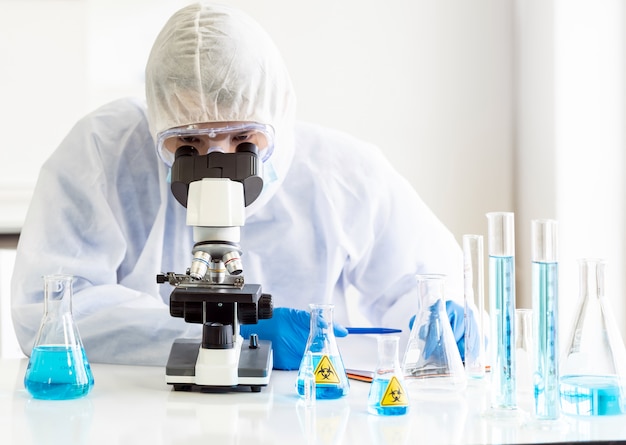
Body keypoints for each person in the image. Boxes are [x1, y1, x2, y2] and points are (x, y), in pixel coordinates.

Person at [11, 2, 468, 370]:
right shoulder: (103, 153)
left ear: (278, 119)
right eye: (188, 142)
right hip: (132, 413)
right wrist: (227, 329)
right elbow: (47, 313)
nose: (218, 163)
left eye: (244, 140)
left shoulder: (345, 177)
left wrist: (438, 322)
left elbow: (420, 289)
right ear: (158, 125)